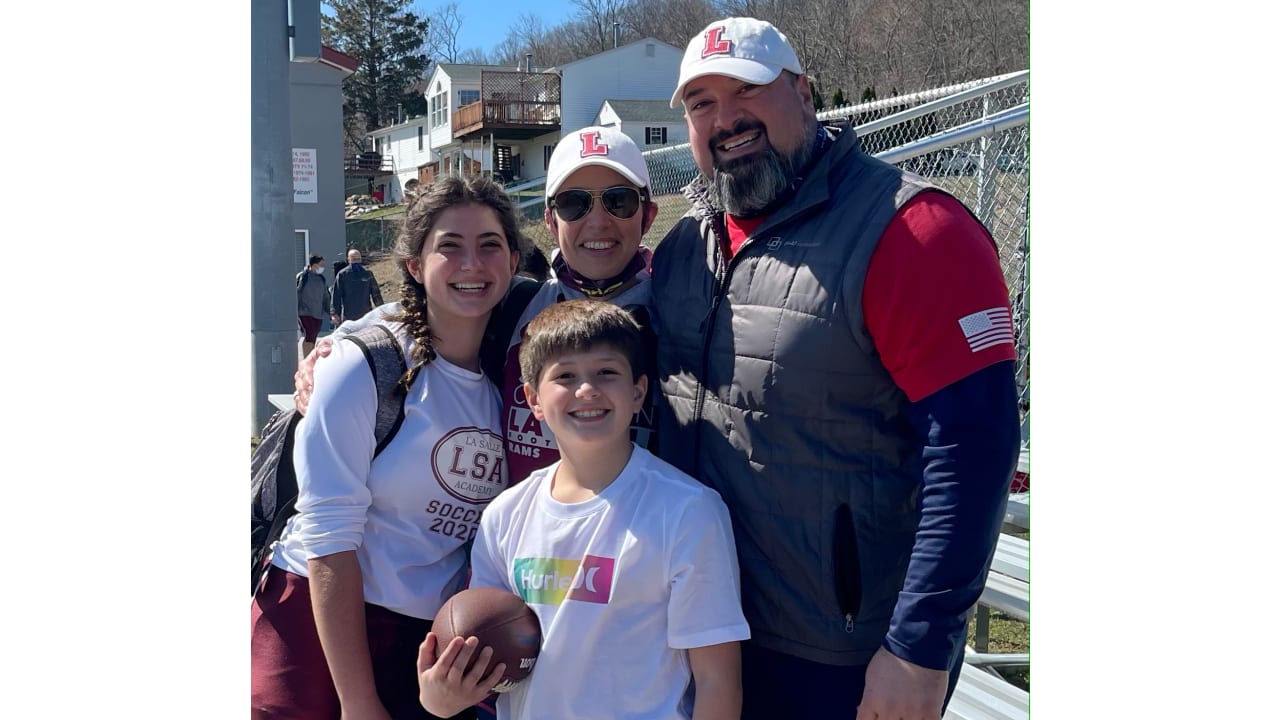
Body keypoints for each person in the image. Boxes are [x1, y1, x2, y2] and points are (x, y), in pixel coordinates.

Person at [653, 16, 1022, 720]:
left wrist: (920, 647)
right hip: (698, 630)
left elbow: (973, 448)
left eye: (748, 90)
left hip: (838, 652)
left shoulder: (914, 231)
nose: (726, 119)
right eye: (701, 103)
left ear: (804, 93)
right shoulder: (682, 250)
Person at [251, 175, 522, 719]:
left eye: (489, 245)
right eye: (449, 246)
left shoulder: (511, 381)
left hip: (422, 642)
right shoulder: (364, 366)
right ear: (415, 266)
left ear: (514, 262)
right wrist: (357, 700)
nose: (472, 263)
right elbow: (328, 537)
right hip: (314, 625)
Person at [417, 300, 750, 720]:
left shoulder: (688, 512)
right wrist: (440, 697)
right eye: (566, 376)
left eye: (606, 373)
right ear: (534, 400)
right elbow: (480, 647)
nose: (587, 390)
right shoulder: (505, 514)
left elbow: (718, 682)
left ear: (638, 392)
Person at [297, 126, 662, 491]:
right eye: (573, 203)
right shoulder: (519, 303)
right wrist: (333, 348)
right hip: (523, 538)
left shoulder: (676, 315)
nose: (597, 221)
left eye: (619, 201)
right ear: (551, 221)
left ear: (647, 216)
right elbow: (426, 306)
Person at [330, 248, 384, 325]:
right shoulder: (342, 275)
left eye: (358, 259)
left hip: (366, 316)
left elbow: (376, 294)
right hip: (348, 317)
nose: (356, 261)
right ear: (348, 259)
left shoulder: (367, 274)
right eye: (353, 259)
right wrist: (334, 314)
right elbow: (336, 295)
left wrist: (382, 310)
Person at [296, 254, 330, 358]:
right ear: (314, 265)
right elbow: (297, 293)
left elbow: (325, 296)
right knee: (308, 337)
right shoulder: (303, 277)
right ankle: (306, 360)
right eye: (321, 265)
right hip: (305, 313)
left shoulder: (321, 279)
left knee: (313, 338)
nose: (322, 267)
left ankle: (311, 359)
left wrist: (329, 311)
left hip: (317, 314)